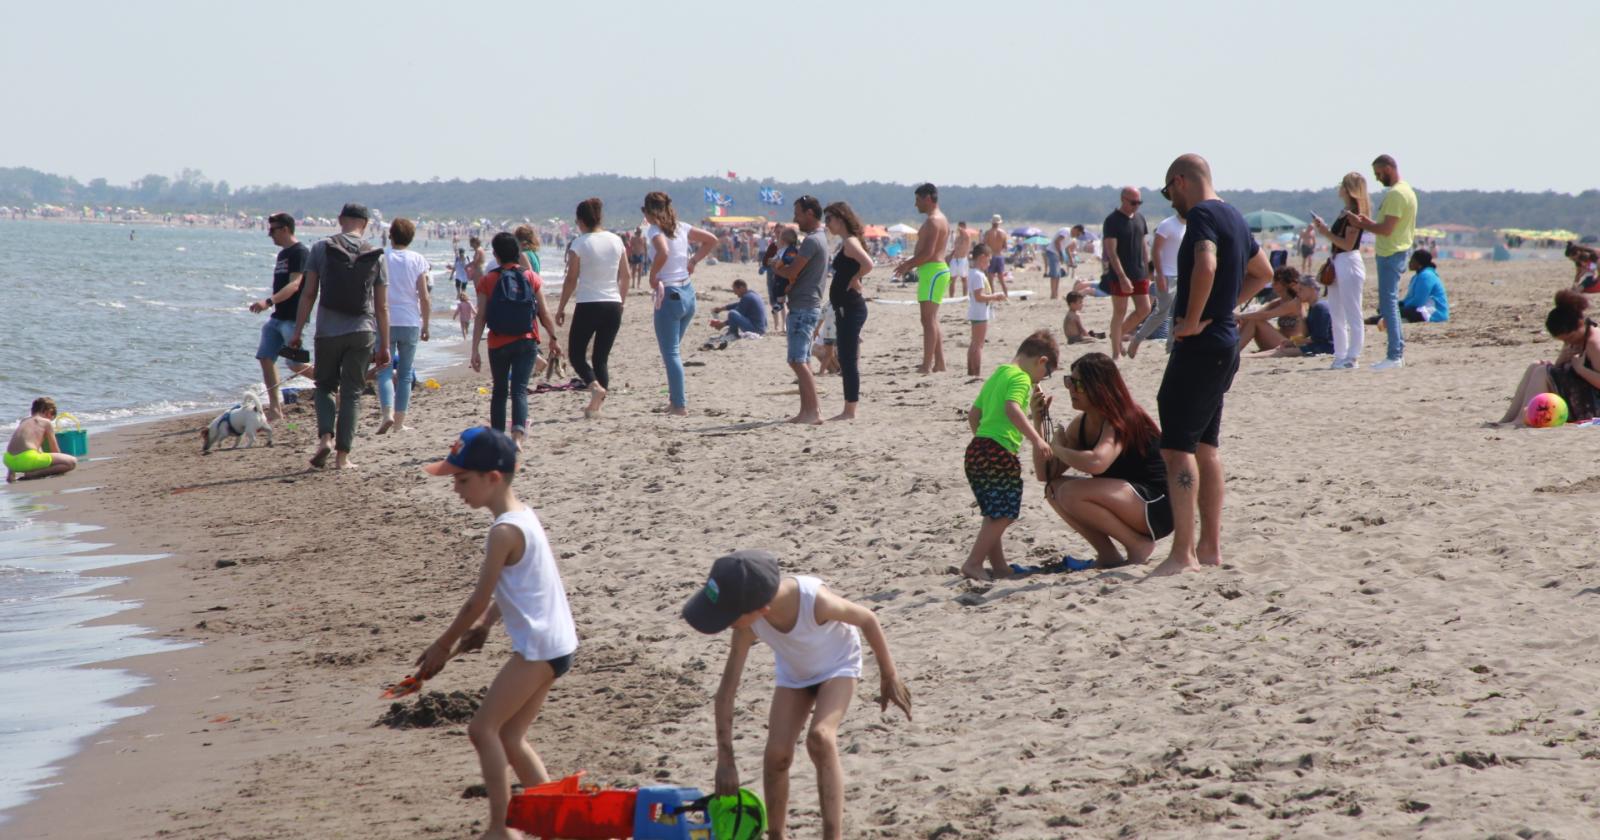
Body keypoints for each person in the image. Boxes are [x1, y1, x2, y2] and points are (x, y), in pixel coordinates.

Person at [415, 427, 578, 840]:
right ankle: (554, 823)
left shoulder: (502, 532)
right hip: (556, 644)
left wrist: (441, 645)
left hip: (540, 648)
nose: (456, 489)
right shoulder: (524, 516)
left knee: (482, 730)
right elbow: (518, 589)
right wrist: (486, 627)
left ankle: (501, 830)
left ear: (493, 477)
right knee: (510, 735)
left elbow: (475, 599)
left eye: (462, 480)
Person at [682, 549, 912, 840]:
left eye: (729, 617)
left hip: (838, 666)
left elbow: (867, 619)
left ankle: (833, 835)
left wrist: (889, 675)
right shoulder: (748, 625)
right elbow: (727, 692)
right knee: (776, 754)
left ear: (760, 610)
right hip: (795, 673)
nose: (727, 624)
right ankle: (776, 835)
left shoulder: (814, 600)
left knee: (821, 738)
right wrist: (725, 761)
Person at [1150, 154, 1273, 577]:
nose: (1170, 203)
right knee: (1205, 446)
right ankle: (1209, 548)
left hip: (1202, 345)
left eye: (1169, 193)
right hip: (1224, 342)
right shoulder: (1235, 217)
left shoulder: (1202, 214)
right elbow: (1263, 272)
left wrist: (1190, 319)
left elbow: (1206, 264)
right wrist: (1223, 308)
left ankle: (1183, 554)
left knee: (1177, 447)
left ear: (1180, 181)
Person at [1030, 352, 1171, 568]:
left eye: (1079, 384)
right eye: (1069, 382)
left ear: (1100, 387)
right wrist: (1038, 423)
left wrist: (1057, 448)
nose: (1072, 390)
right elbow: (1046, 474)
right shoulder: (1082, 424)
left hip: (1157, 505)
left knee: (1070, 492)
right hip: (1128, 499)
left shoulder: (1122, 417)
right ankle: (1107, 554)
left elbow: (1097, 462)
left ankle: (1137, 545)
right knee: (1054, 489)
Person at [289, 202, 391, 471]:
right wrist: (385, 345)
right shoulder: (376, 254)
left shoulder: (321, 248)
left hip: (327, 332)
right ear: (366, 224)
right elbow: (382, 306)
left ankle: (325, 439)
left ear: (340, 219)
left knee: (324, 386)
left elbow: (308, 293)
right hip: (362, 331)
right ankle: (342, 458)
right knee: (352, 393)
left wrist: (298, 331)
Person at [960, 330, 1057, 582]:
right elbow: (1012, 409)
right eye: (1045, 376)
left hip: (976, 450)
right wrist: (1037, 439)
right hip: (998, 451)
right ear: (1042, 361)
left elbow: (974, 415)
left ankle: (1000, 567)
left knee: (994, 512)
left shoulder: (999, 373)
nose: (1040, 382)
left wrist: (983, 439)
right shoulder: (1022, 378)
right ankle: (973, 563)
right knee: (1005, 512)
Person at [472, 232, 561, 446]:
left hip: (498, 342)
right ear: (518, 253)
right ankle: (518, 437)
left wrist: (475, 348)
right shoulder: (531, 277)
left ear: (496, 255)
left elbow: (481, 316)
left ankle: (497, 440)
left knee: (500, 390)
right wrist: (553, 337)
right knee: (519, 389)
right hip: (526, 340)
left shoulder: (487, 280)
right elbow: (544, 311)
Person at [643, 191, 720, 416]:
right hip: (688, 293)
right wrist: (693, 260)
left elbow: (663, 252)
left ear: (650, 212)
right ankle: (674, 400)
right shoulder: (682, 227)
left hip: (670, 294)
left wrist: (652, 275)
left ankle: (679, 405)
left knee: (671, 354)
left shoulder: (655, 230)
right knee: (673, 352)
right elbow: (711, 240)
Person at [555, 198, 628, 419]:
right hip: (613, 304)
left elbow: (571, 279)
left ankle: (594, 387)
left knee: (576, 355)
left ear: (580, 220)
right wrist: (621, 302)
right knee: (601, 358)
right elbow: (625, 276)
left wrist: (561, 307)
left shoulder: (580, 243)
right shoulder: (616, 241)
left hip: (588, 304)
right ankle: (596, 407)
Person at [1348, 154, 1418, 370]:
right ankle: (1396, 354)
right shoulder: (1405, 191)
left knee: (1389, 304)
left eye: (1379, 173)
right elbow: (1388, 226)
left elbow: (1386, 229)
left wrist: (1362, 226)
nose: (1378, 178)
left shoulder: (1397, 194)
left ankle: (1395, 354)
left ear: (1389, 168)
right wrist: (1368, 223)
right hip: (1395, 251)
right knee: (1389, 303)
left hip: (1392, 253)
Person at [1496, 291, 1600, 426]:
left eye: (1570, 338)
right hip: (1582, 393)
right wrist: (1563, 358)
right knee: (1536, 366)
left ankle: (1523, 419)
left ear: (1581, 323)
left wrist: (1581, 369)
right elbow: (1558, 370)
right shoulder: (1576, 339)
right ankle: (1509, 418)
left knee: (1542, 372)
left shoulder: (1594, 343)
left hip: (1593, 405)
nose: (1569, 343)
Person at [771, 195, 831, 424]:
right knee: (802, 360)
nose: (795, 219)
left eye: (797, 214)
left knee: (797, 360)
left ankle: (813, 411)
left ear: (809, 213)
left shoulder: (812, 241)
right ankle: (806, 411)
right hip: (807, 305)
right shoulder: (819, 238)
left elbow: (792, 271)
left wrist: (776, 268)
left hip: (804, 307)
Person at [248, 212, 313, 422]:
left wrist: (268, 302)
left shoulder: (300, 252)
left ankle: (334, 386)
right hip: (277, 318)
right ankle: (275, 409)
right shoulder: (283, 254)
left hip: (293, 319)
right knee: (265, 358)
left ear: (285, 229)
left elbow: (295, 286)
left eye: (272, 230)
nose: (269, 234)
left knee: (295, 364)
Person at [376, 218, 431, 434]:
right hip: (410, 320)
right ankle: (399, 423)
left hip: (385, 319)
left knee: (384, 371)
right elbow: (424, 296)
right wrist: (426, 324)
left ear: (390, 235)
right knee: (406, 373)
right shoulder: (417, 259)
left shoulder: (381, 257)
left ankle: (387, 414)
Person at [1312, 172, 1371, 370]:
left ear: (1348, 189)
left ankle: (1352, 356)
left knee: (1352, 311)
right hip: (1339, 261)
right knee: (1336, 311)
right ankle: (1340, 354)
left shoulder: (1354, 214)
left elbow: (1348, 244)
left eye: (1342, 185)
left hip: (1349, 261)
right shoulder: (1345, 211)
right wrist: (1326, 231)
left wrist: (1326, 233)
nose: (1339, 188)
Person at [892, 184, 952, 375]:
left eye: (918, 200)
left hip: (933, 270)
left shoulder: (935, 221)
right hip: (932, 271)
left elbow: (928, 252)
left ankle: (927, 365)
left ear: (927, 199)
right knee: (931, 319)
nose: (915, 204)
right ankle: (939, 363)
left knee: (927, 319)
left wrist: (907, 265)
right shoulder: (937, 219)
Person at [823, 201, 873, 421]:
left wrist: (855, 278)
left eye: (829, 219)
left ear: (840, 219)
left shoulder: (850, 243)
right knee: (845, 356)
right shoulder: (846, 242)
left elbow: (869, 264)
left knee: (848, 359)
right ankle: (848, 408)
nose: (827, 224)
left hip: (850, 307)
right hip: (845, 307)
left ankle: (849, 411)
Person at [1127, 208, 1185, 358]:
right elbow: (1156, 250)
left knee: (1177, 312)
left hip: (1181, 275)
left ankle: (1171, 347)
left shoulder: (1188, 226)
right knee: (1161, 312)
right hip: (1166, 274)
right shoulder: (1167, 224)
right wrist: (1159, 274)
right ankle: (1137, 340)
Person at [1101, 187, 1151, 361]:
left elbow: (1143, 245)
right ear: (1123, 199)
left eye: (1139, 202)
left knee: (1145, 309)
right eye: (1133, 202)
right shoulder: (1112, 221)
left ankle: (1117, 334)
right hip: (1120, 275)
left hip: (1139, 272)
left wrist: (1148, 268)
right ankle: (1116, 352)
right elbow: (1111, 252)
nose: (1136, 206)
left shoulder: (1140, 218)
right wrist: (1122, 277)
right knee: (1119, 311)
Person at [5, 397, 76, 482]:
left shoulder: (24, 421)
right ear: (49, 412)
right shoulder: (46, 422)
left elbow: (18, 444)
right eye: (51, 418)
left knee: (29, 452)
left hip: (9, 460)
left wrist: (11, 474)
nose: (50, 421)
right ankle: (34, 474)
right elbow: (55, 451)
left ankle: (11, 474)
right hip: (26, 460)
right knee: (72, 462)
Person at [1236, 267, 1305, 353]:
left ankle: (1233, 351)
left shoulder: (1294, 303)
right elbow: (1259, 313)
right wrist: (1239, 318)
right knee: (1250, 319)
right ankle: (1230, 345)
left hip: (1291, 344)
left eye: (1276, 282)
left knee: (1254, 320)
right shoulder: (1278, 302)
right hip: (1280, 340)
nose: (1272, 285)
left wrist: (1239, 316)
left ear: (1285, 284)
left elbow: (1266, 315)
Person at [964, 244, 1003, 377]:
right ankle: (976, 372)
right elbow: (979, 296)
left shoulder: (974, 273)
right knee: (978, 345)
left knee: (974, 343)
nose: (989, 263)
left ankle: (971, 371)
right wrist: (995, 297)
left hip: (976, 311)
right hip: (980, 313)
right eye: (989, 260)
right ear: (982, 258)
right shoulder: (978, 275)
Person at [1395, 249, 1449, 323]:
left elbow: (1418, 301)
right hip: (1421, 309)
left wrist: (1402, 307)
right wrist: (1400, 304)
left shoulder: (1426, 276)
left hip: (1434, 313)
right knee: (1388, 309)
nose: (1409, 262)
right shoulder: (1417, 276)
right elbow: (1410, 298)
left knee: (1393, 312)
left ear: (1418, 263)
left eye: (1412, 260)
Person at [765, 227, 799, 335]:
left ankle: (780, 303)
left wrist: (777, 263)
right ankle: (779, 303)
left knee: (781, 288)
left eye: (778, 239)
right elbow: (775, 258)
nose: (776, 241)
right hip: (779, 274)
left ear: (783, 241)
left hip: (787, 276)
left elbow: (788, 259)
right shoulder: (781, 250)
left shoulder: (792, 249)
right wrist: (772, 261)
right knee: (776, 288)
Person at [982, 215, 1011, 297]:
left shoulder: (988, 233)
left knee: (990, 278)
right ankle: (1006, 295)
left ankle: (992, 296)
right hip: (1000, 256)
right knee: (1001, 279)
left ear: (992, 223)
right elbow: (1005, 246)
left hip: (991, 256)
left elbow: (984, 245)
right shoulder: (1003, 233)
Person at [947, 221, 973, 296]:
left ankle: (964, 296)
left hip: (962, 259)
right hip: (955, 259)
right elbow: (955, 248)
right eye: (959, 227)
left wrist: (962, 229)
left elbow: (966, 234)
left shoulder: (967, 236)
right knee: (952, 279)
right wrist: (950, 256)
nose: (959, 229)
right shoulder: (957, 237)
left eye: (961, 227)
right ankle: (951, 297)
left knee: (964, 279)